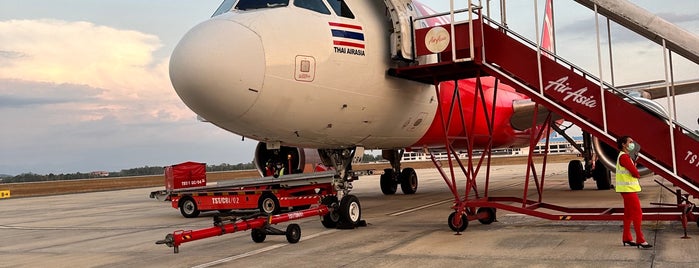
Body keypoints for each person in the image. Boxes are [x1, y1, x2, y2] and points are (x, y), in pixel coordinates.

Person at [615, 135, 652, 249]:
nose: (632, 144)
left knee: (629, 214)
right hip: (628, 190)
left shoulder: (624, 156)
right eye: (630, 142)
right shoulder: (625, 157)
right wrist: (636, 172)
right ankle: (640, 239)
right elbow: (634, 172)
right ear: (623, 144)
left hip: (626, 189)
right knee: (638, 213)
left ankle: (626, 237)